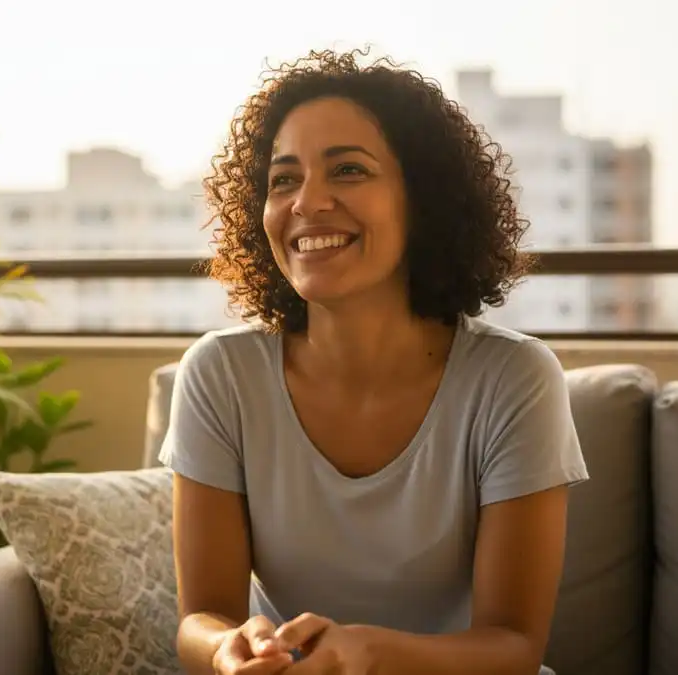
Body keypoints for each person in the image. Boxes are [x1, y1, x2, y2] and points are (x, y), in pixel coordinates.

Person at [158, 48, 589, 675]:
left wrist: (369, 654)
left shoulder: (513, 379)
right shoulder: (219, 374)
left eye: (349, 171)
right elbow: (202, 622)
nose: (308, 202)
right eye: (284, 179)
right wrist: (227, 652)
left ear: (424, 199)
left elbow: (514, 647)